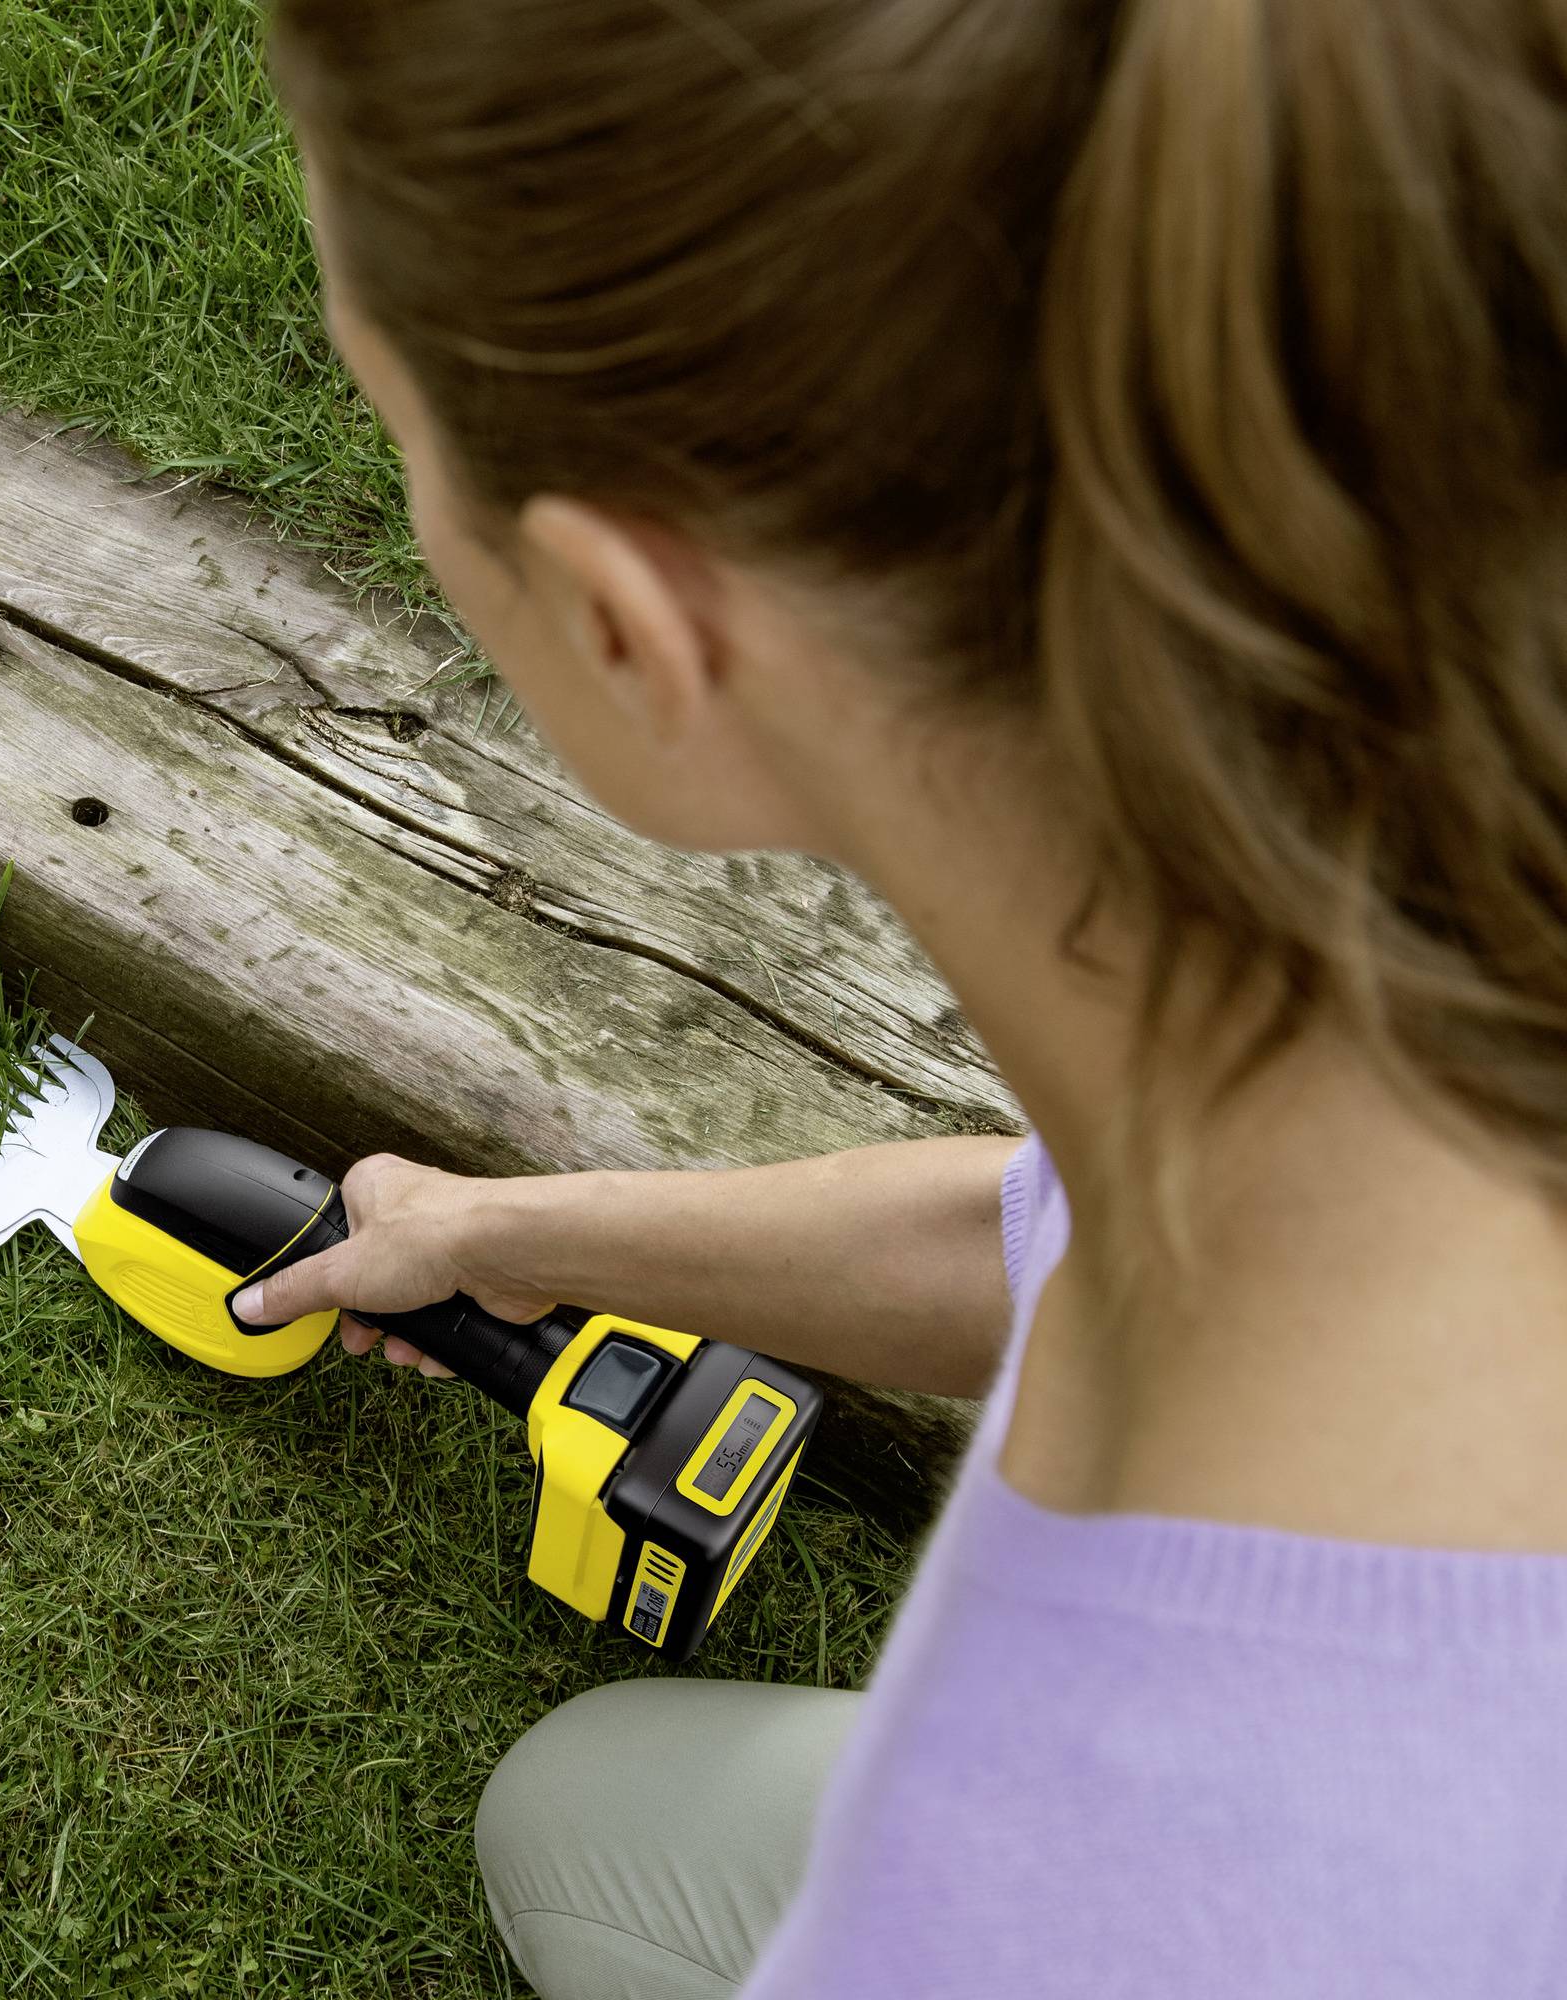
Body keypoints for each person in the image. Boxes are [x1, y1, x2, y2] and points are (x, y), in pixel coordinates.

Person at [224, 2, 1567, 1993]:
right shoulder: (1415, 875)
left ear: (630, 627)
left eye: (392, 421)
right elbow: (1053, 1228)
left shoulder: (1076, 1910)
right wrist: (502, 1235)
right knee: (587, 1818)